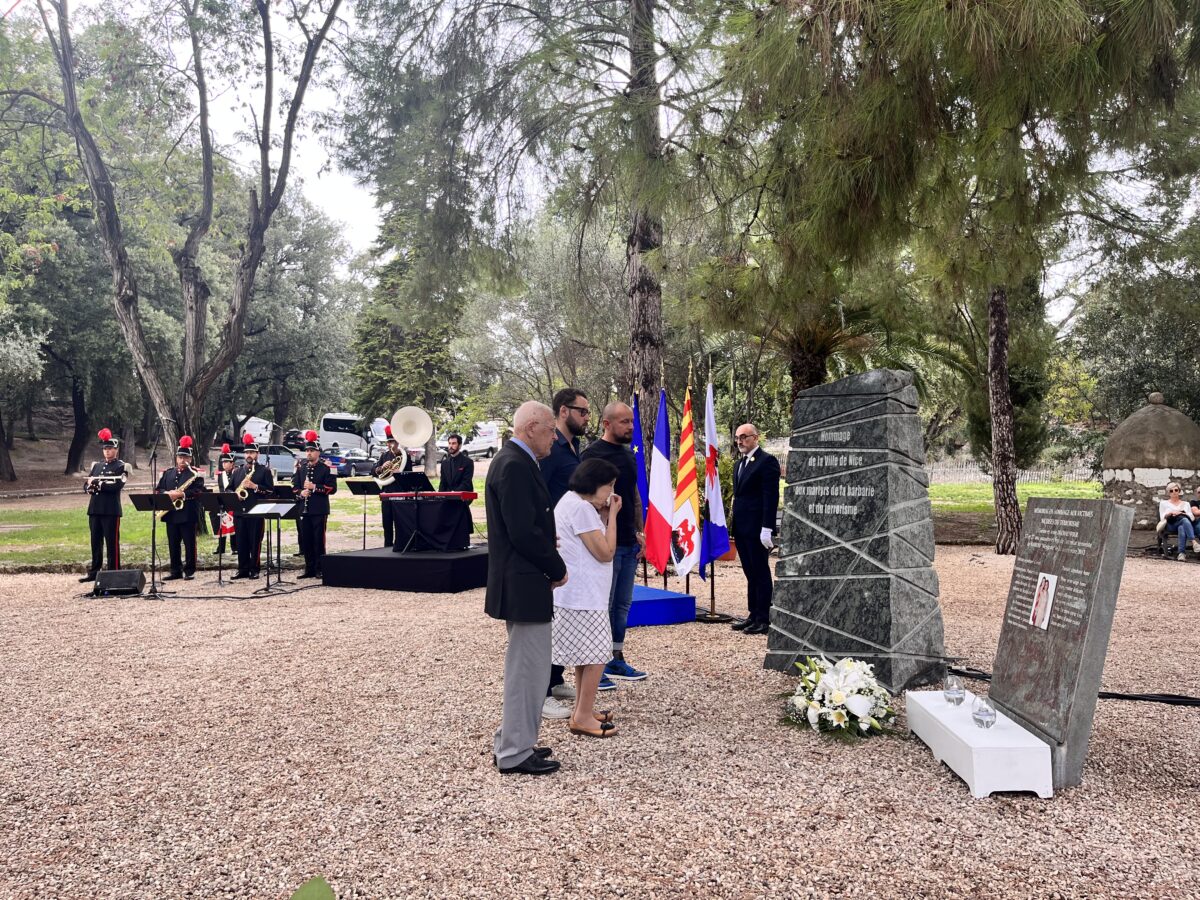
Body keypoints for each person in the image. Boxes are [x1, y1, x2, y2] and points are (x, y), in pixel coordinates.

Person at [485, 401, 568, 776]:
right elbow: (522, 532)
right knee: (528, 670)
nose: (554, 436)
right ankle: (516, 752)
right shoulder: (515, 464)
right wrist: (555, 565)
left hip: (523, 580)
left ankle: (513, 739)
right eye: (551, 429)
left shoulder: (515, 461)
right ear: (532, 427)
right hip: (524, 580)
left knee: (528, 668)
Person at [552, 458, 622, 738]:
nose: (611, 493)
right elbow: (605, 552)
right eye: (609, 486)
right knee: (596, 655)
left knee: (585, 655)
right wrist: (613, 515)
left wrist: (603, 516)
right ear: (594, 485)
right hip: (584, 596)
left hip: (578, 595)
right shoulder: (581, 508)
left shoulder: (572, 502)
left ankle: (584, 708)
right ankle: (581, 716)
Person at [580, 402, 647, 685]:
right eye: (624, 422)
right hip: (604, 545)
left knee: (622, 605)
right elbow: (583, 501)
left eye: (631, 422)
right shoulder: (591, 455)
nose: (630, 427)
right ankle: (598, 665)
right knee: (602, 605)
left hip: (629, 543)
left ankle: (616, 658)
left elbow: (633, 494)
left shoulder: (628, 455)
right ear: (606, 424)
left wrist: (640, 531)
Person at [538, 387, 591, 719]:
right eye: (581, 411)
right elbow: (540, 493)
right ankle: (540, 691)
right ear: (562, 411)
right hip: (555, 541)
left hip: (575, 542)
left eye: (587, 411)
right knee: (548, 617)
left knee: (565, 614)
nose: (587, 417)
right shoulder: (549, 449)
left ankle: (556, 679)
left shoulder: (575, 448)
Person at [730, 423, 780, 635]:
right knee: (750, 571)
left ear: (755, 438)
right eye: (737, 438)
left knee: (760, 571)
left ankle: (764, 618)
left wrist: (767, 527)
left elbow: (771, 497)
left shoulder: (766, 461)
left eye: (744, 437)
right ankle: (753, 614)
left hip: (758, 527)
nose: (740, 441)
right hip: (742, 527)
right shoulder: (739, 464)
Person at [80, 427, 127, 583]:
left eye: (110, 449)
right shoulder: (97, 466)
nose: (107, 451)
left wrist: (98, 484)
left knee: (112, 543)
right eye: (105, 449)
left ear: (116, 450)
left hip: (110, 510)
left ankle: (113, 572)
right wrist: (89, 487)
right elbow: (87, 483)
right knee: (95, 541)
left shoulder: (121, 466)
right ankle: (95, 571)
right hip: (95, 508)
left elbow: (117, 486)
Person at [156, 435, 205, 581]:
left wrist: (181, 494)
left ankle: (189, 570)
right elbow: (159, 489)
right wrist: (167, 494)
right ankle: (175, 570)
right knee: (173, 543)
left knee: (190, 543)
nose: (183, 460)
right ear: (176, 458)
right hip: (171, 513)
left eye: (186, 457)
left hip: (188, 513)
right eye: (180, 457)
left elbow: (198, 491)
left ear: (190, 459)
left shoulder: (196, 474)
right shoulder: (168, 473)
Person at [293, 430, 338, 579]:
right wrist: (301, 493)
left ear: (318, 452)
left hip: (319, 509)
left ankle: (320, 568)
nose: (309, 453)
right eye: (307, 451)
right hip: (303, 509)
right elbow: (294, 487)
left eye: (312, 450)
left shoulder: (326, 468)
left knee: (319, 540)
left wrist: (314, 487)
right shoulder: (302, 467)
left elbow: (332, 488)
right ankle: (309, 568)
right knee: (306, 540)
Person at [231, 433, 274, 580]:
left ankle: (254, 569)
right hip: (239, 512)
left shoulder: (264, 471)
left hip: (256, 511)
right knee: (240, 542)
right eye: (247, 452)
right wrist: (233, 494)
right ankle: (242, 569)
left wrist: (255, 486)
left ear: (257, 454)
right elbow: (229, 489)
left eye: (252, 452)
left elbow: (270, 491)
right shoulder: (237, 471)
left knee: (255, 542)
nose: (249, 455)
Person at [370, 426, 410, 547]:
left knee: (399, 523)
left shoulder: (405, 457)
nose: (389, 445)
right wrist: (381, 468)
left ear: (397, 442)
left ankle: (399, 546)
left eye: (391, 442)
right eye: (388, 442)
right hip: (386, 493)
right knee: (386, 522)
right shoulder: (384, 456)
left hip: (399, 493)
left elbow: (411, 476)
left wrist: (400, 474)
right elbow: (373, 471)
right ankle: (387, 546)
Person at [211, 443, 238, 557]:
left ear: (232, 463)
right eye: (222, 462)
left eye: (226, 462)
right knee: (221, 524)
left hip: (234, 501)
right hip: (223, 502)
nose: (224, 464)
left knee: (233, 526)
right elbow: (221, 488)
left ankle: (234, 547)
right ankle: (221, 547)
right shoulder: (220, 475)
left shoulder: (237, 472)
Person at [1159, 482, 1195, 561]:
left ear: (1179, 491)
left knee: (1182, 526)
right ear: (1169, 493)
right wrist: (1171, 513)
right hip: (1170, 524)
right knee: (1184, 521)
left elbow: (1192, 518)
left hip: (1182, 524)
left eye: (1176, 490)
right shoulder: (1164, 503)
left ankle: (1181, 553)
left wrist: (1181, 513)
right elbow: (1162, 517)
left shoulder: (1186, 504)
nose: (1174, 492)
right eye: (1171, 491)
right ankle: (1193, 542)